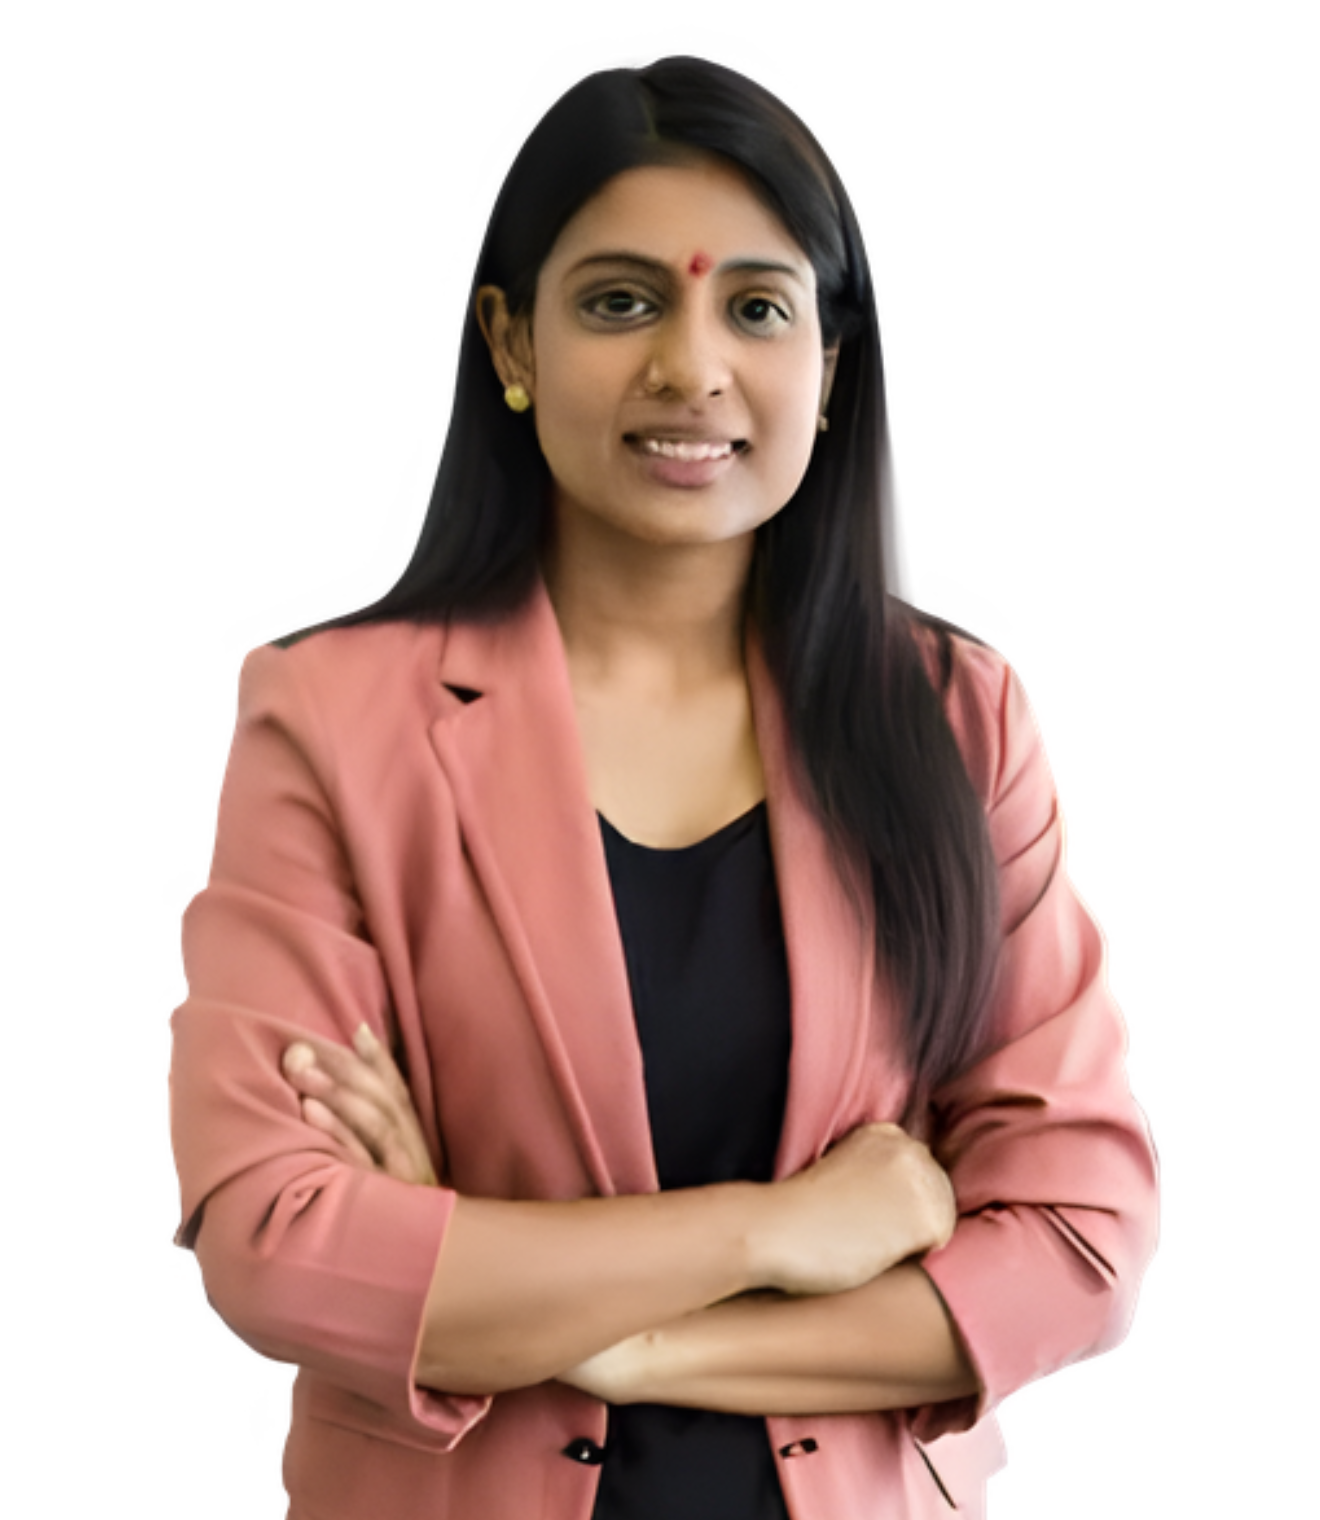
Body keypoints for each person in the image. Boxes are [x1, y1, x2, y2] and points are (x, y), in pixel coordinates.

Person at [164, 53, 1163, 1519]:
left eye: (755, 308)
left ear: (833, 361)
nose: (691, 368)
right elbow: (276, 1243)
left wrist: (606, 1338)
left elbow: (1078, 1246)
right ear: (512, 339)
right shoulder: (330, 718)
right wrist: (786, 1230)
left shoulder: (960, 722)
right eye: (621, 302)